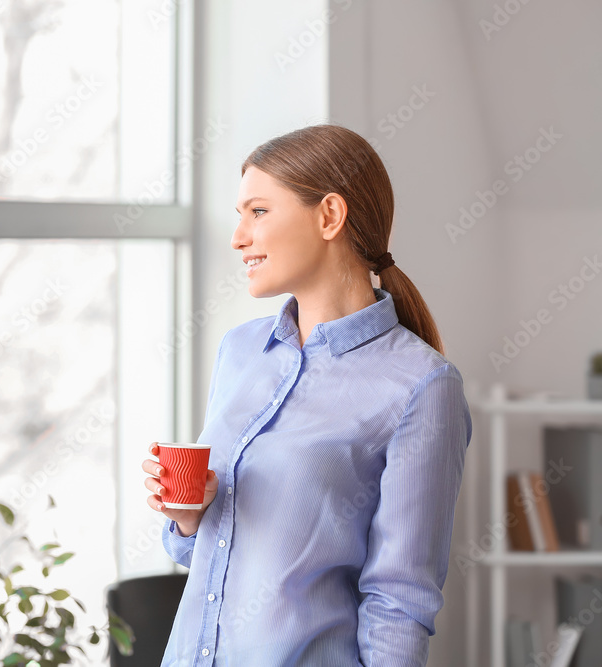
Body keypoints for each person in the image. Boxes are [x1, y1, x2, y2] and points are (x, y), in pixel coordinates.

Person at [140, 124, 472, 666]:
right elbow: (199, 552)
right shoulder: (241, 351)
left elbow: (400, 602)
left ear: (329, 216)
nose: (238, 236)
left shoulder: (421, 386)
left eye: (259, 212)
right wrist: (189, 516)